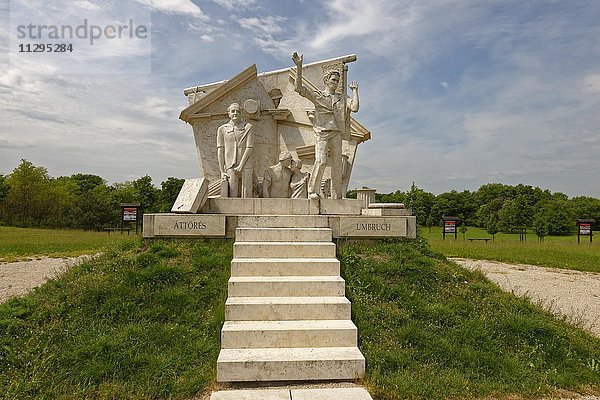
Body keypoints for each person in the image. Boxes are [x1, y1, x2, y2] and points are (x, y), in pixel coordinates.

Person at [292, 51, 359, 199]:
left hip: (336, 132)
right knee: (321, 160)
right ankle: (312, 190)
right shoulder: (319, 95)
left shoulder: (342, 97)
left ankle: (337, 194)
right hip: (322, 132)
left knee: (337, 164)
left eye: (337, 80)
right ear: (326, 80)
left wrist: (354, 91)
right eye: (333, 80)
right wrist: (299, 67)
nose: (335, 83)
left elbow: (354, 107)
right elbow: (299, 88)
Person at [216, 103, 254, 198]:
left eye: (238, 111)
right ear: (228, 113)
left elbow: (249, 147)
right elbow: (220, 150)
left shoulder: (248, 127)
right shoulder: (222, 129)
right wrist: (222, 170)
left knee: (247, 194)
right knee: (232, 193)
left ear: (241, 114)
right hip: (230, 164)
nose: (235, 113)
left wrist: (241, 165)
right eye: (233, 111)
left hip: (246, 164)